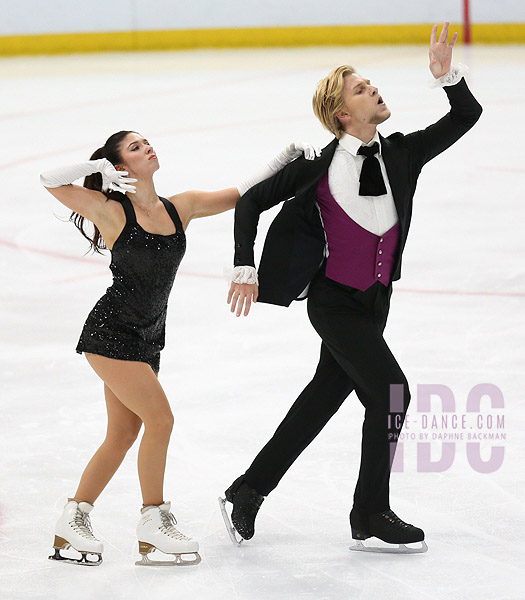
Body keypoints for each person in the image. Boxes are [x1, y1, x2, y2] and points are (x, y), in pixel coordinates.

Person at [220, 23, 482, 553]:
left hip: (376, 300)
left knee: (322, 399)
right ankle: (370, 511)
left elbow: (465, 116)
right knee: (392, 392)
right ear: (342, 113)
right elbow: (250, 202)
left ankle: (248, 490)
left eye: (371, 84)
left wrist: (447, 77)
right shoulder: (316, 168)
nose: (374, 89)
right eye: (362, 89)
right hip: (333, 302)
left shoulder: (403, 154)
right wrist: (245, 264)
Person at [40, 131, 319, 566]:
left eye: (146, 141)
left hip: (148, 338)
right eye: (135, 147)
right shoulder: (111, 210)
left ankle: (72, 518)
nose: (147, 147)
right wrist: (96, 169)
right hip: (110, 333)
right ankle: (153, 521)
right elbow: (49, 180)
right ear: (120, 166)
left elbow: (240, 195)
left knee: (122, 434)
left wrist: (283, 159)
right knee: (161, 420)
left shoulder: (179, 207)